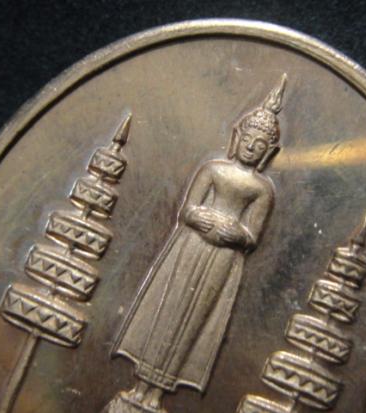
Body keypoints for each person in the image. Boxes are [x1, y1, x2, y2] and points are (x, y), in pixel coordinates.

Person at [108, 74, 288, 413]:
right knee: (166, 310)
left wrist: (235, 233)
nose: (252, 146)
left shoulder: (262, 189)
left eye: (260, 144)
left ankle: (156, 396)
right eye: (248, 138)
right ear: (237, 137)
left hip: (220, 261)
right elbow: (188, 209)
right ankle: (138, 387)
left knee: (192, 322)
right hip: (189, 248)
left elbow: (252, 236)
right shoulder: (213, 169)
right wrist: (198, 218)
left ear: (269, 152)